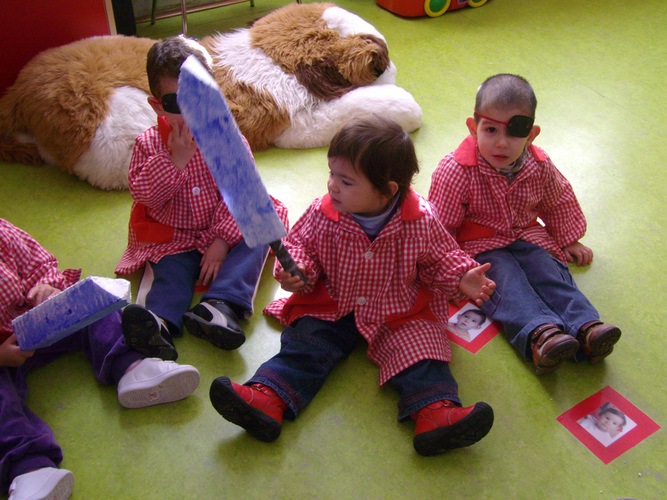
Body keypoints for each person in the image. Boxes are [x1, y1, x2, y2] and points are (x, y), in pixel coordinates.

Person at [209, 116, 497, 456]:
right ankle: (268, 397)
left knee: (424, 353)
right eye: (332, 174)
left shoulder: (421, 220)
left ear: (389, 190)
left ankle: (435, 413)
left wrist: (461, 276)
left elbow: (440, 259)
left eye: (345, 181)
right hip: (335, 302)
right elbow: (301, 246)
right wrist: (300, 270)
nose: (332, 186)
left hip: (399, 308)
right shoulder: (323, 212)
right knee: (305, 346)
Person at [428, 73, 621, 375]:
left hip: (528, 236)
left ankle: (586, 327)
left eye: (514, 133)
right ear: (472, 126)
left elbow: (557, 199)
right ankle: (540, 335)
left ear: (531, 135)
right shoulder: (456, 171)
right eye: (490, 129)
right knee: (506, 283)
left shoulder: (538, 164)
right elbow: (440, 228)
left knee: (548, 271)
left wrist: (568, 238)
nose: (501, 143)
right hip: (480, 247)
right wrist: (455, 272)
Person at [0, 218, 199, 500]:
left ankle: (131, 367)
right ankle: (29, 468)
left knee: (93, 300)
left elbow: (38, 262)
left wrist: (46, 288)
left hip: (32, 318)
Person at [115, 36, 288, 359]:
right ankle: (160, 323)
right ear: (158, 107)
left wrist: (222, 241)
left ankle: (220, 305)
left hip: (223, 226)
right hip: (174, 237)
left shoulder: (226, 136)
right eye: (178, 104)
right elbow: (146, 197)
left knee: (263, 223)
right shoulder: (148, 145)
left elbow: (239, 191)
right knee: (169, 272)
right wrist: (174, 160)